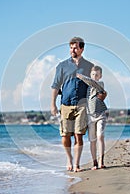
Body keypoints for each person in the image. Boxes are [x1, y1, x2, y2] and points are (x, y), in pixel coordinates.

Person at [51, 37, 94, 172]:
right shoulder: (62, 66)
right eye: (70, 48)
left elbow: (93, 86)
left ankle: (76, 164)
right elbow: (56, 86)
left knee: (78, 135)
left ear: (81, 49)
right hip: (65, 104)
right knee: (65, 135)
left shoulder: (89, 66)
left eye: (75, 48)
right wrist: (53, 104)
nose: (72, 50)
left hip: (82, 105)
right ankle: (69, 159)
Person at [76, 66, 108, 170]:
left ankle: (101, 160)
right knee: (92, 140)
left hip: (100, 114)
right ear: (91, 74)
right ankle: (94, 162)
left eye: (97, 75)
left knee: (100, 136)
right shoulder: (87, 87)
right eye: (93, 74)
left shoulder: (100, 84)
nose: (95, 77)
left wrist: (80, 76)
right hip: (90, 115)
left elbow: (92, 82)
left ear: (100, 76)